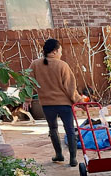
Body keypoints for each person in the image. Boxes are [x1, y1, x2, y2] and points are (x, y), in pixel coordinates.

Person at [26, 38, 82, 166]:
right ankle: (73, 159)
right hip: (64, 105)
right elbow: (70, 87)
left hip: (47, 105)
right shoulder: (62, 65)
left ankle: (59, 155)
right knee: (69, 129)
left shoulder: (35, 64)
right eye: (60, 51)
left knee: (53, 129)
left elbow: (28, 83)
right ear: (55, 51)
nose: (61, 54)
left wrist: (27, 99)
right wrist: (78, 101)